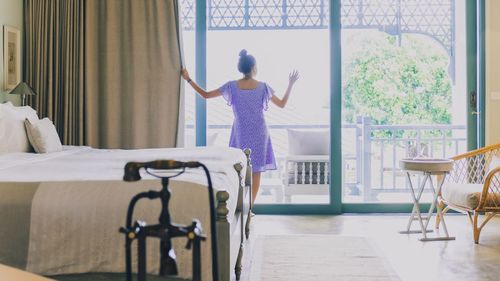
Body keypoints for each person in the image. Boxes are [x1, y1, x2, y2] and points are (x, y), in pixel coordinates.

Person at [181, 49, 299, 203]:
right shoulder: (263, 87)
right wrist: (290, 84)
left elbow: (206, 95)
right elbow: (282, 104)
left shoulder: (232, 86)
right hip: (259, 133)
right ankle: (250, 208)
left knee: (238, 170)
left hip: (240, 132)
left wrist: (188, 79)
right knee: (256, 172)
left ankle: (238, 205)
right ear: (254, 67)